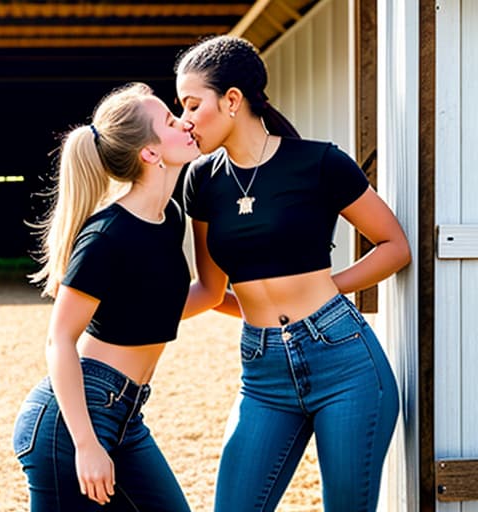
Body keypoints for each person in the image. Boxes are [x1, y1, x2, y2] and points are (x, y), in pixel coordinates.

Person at [175, 35, 411, 512]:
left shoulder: (319, 163)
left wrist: (331, 291)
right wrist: (124, 312)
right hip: (262, 373)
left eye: (192, 104)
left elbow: (395, 246)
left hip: (344, 361)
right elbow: (210, 288)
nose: (184, 120)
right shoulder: (201, 181)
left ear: (233, 101)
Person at [12, 82, 200, 511]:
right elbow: (58, 340)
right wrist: (86, 444)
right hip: (71, 423)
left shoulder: (169, 218)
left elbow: (160, 309)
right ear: (150, 154)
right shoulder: (106, 236)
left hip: (127, 417)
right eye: (171, 121)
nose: (184, 122)